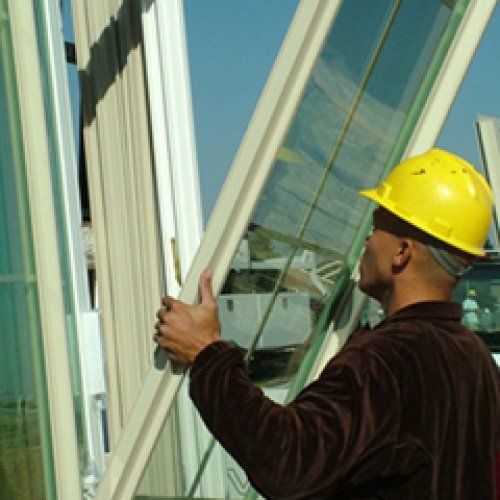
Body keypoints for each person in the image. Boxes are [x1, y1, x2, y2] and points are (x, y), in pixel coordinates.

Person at [154, 149, 500, 499]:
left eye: (375, 228)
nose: (366, 241)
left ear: (402, 252)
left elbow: (287, 461)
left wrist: (206, 353)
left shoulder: (384, 361)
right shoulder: (476, 359)